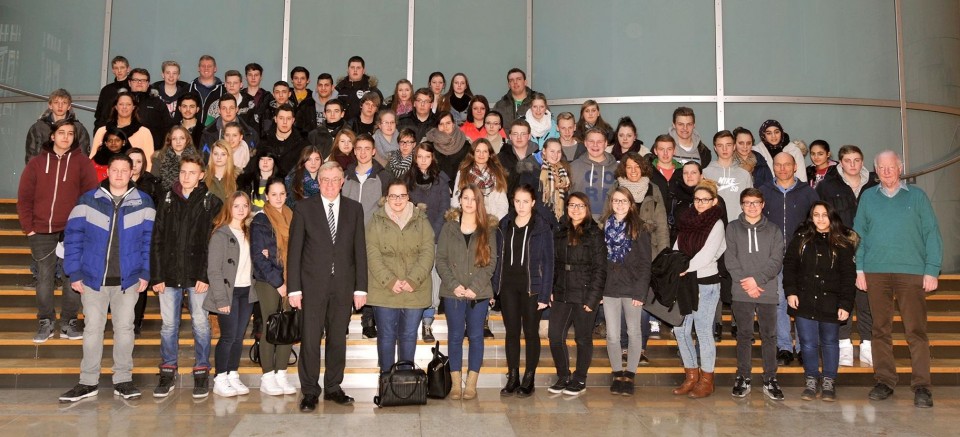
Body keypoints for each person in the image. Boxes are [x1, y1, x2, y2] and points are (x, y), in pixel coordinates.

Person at [57, 154, 154, 403]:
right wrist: (75, 272)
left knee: (124, 331)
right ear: (107, 172)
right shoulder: (88, 200)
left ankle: (123, 380)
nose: (120, 174)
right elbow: (74, 237)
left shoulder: (144, 202)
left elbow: (149, 243)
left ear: (132, 173)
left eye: (125, 170)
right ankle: (87, 382)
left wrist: (145, 272)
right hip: (92, 280)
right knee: (92, 331)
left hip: (128, 280)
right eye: (115, 170)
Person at [855, 150, 942, 408]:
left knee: (916, 331)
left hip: (912, 272)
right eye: (881, 168)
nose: (887, 172)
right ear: (876, 170)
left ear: (900, 167)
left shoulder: (917, 197)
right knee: (880, 330)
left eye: (891, 167)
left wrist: (932, 269)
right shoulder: (868, 197)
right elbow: (858, 235)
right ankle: (884, 380)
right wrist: (859, 269)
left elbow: (932, 234)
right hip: (876, 272)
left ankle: (922, 386)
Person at [288, 161, 368, 411]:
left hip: (343, 287)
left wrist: (360, 288)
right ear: (318, 182)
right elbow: (295, 252)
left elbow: (360, 251)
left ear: (342, 181)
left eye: (335, 179)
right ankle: (310, 391)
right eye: (326, 179)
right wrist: (294, 289)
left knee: (337, 339)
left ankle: (333, 386)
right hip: (312, 287)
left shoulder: (355, 209)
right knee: (310, 340)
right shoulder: (303, 209)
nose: (331, 184)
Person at [18, 119, 99, 343]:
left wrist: (82, 228)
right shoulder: (36, 164)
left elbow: (91, 198)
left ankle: (69, 322)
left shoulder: (82, 163)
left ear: (74, 138)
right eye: (61, 132)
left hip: (71, 232)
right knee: (44, 277)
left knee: (71, 276)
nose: (65, 137)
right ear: (52, 136)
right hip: (41, 232)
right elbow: (24, 199)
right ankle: (45, 322)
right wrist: (30, 230)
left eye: (70, 133)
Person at [151, 155, 223, 399]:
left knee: (201, 324)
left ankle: (202, 370)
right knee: (169, 325)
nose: (186, 177)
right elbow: (157, 239)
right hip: (169, 274)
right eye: (183, 172)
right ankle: (168, 370)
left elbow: (213, 242)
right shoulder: (167, 200)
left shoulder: (211, 202)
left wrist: (205, 275)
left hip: (197, 276)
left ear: (201, 175)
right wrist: (157, 275)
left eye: (192, 172)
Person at [784, 201, 858, 401]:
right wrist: (790, 292)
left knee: (830, 343)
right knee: (807, 344)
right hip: (804, 300)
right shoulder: (800, 239)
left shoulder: (843, 243)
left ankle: (829, 381)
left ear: (831, 217)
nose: (820, 219)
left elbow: (848, 277)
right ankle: (810, 379)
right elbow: (789, 267)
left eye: (824, 214)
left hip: (831, 302)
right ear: (811, 217)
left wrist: (845, 304)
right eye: (816, 214)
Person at [816, 145, 878, 366]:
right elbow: (821, 218)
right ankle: (843, 345)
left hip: (870, 251)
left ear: (863, 162)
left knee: (865, 299)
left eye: (857, 160)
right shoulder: (826, 187)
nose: (852, 165)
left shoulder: (875, 185)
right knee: (841, 297)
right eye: (848, 160)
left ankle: (867, 345)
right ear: (840, 162)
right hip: (838, 250)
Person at [366, 180, 435, 373]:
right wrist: (390, 281)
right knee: (386, 336)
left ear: (408, 197)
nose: (398, 200)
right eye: (393, 196)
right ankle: (386, 381)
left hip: (415, 289)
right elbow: (372, 254)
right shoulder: (376, 220)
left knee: (408, 335)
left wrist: (413, 280)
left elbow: (428, 253)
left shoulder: (421, 220)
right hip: (384, 290)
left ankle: (405, 382)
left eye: (402, 195)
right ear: (386, 198)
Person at [437, 184, 498, 400]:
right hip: (453, 292)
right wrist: (454, 284)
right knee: (454, 337)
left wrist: (474, 288)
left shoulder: (487, 229)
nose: (469, 202)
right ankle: (455, 384)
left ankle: (471, 384)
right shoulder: (448, 227)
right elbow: (441, 260)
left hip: (478, 294)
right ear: (459, 201)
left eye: (473, 199)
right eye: (465, 198)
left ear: (479, 202)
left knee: (475, 337)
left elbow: (491, 264)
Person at [759, 152, 820, 366]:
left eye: (787, 165)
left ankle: (805, 347)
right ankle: (784, 346)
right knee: (779, 302)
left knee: (802, 302)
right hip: (773, 257)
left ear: (795, 167)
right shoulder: (764, 191)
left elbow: (818, 223)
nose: (783, 168)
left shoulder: (808, 193)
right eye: (778, 165)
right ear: (773, 167)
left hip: (802, 258)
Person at [493, 185, 554, 398]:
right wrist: (495, 289)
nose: (521, 206)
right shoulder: (504, 224)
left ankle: (529, 378)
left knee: (530, 332)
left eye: (525, 201)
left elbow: (549, 262)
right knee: (511, 333)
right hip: (508, 286)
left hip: (532, 288)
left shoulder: (541, 226)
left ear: (533, 203)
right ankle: (513, 377)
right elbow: (498, 258)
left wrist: (545, 294)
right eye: (517, 201)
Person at [725, 188, 785, 400]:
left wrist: (757, 281)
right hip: (741, 290)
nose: (752, 206)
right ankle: (743, 376)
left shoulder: (774, 230)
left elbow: (776, 260)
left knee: (769, 336)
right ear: (741, 205)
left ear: (763, 204)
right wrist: (747, 283)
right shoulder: (732, 228)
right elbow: (730, 260)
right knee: (744, 335)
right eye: (747, 202)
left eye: (756, 202)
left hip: (766, 290)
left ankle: (770, 378)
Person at [609, 152, 670, 362]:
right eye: (629, 167)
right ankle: (624, 347)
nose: (633, 171)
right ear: (623, 169)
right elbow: (607, 218)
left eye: (636, 167)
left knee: (640, 304)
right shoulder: (616, 188)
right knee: (622, 304)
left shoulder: (653, 189)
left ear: (643, 168)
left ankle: (640, 348)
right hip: (619, 259)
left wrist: (664, 257)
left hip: (648, 254)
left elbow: (662, 225)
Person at [670, 180, 726, 398]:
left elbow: (708, 253)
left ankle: (706, 379)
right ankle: (691, 376)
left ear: (714, 201)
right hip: (685, 280)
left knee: (703, 331)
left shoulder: (717, 223)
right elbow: (677, 246)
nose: (701, 203)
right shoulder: (687, 219)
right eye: (697, 199)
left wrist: (686, 268)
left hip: (705, 282)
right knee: (681, 330)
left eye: (705, 200)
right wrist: (675, 265)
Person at [547, 192, 604, 396]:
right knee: (554, 336)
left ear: (587, 209)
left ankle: (580, 379)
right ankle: (563, 376)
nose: (576, 209)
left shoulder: (595, 233)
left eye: (580, 206)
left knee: (583, 338)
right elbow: (552, 263)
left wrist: (593, 298)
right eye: (572, 205)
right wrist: (551, 288)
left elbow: (600, 268)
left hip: (585, 292)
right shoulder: (560, 230)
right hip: (562, 291)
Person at [600, 188, 652, 396]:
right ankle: (616, 373)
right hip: (610, 288)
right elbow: (599, 262)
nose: (619, 204)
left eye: (624, 201)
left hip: (632, 288)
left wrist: (641, 293)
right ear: (611, 203)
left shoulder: (639, 229)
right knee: (612, 335)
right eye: (616, 200)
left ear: (631, 204)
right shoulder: (603, 227)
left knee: (633, 332)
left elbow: (645, 264)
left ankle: (629, 374)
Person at [205, 191, 256, 398]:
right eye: (237, 206)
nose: (241, 209)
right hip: (228, 293)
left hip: (246, 292)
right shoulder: (220, 234)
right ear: (229, 208)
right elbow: (214, 271)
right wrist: (221, 299)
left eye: (245, 205)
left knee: (238, 337)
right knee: (227, 337)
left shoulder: (250, 233)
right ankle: (220, 377)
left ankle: (232, 374)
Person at [250, 177, 298, 396]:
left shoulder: (292, 216)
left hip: (292, 280)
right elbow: (259, 256)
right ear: (266, 196)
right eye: (274, 194)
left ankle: (281, 373)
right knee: (271, 325)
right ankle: (267, 375)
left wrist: (292, 281)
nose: (278, 198)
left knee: (288, 325)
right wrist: (279, 282)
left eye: (282, 194)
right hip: (269, 281)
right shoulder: (261, 220)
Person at [407, 141, 452, 341]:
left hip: (435, 237)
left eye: (427, 157)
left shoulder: (442, 180)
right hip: (412, 239)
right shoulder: (406, 179)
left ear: (432, 157)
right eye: (420, 157)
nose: (423, 161)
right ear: (415, 158)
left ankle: (427, 323)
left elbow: (444, 210)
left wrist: (431, 234)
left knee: (433, 281)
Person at [126, 147, 162, 336]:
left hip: (143, 238)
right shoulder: (116, 182)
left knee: (140, 281)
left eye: (139, 161)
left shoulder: (152, 183)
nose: (134, 165)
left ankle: (136, 321)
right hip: (122, 239)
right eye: (131, 161)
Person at [25, 88, 92, 163]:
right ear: (50, 105)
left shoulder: (78, 128)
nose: (60, 106)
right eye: (56, 102)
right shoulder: (38, 127)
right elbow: (31, 156)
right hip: (43, 172)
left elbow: (83, 157)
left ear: (69, 106)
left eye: (64, 102)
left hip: (70, 172)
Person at [91, 92, 155, 171]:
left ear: (133, 107)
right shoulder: (102, 131)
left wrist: (144, 181)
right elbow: (92, 158)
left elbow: (149, 162)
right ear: (116, 107)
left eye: (128, 104)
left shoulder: (144, 132)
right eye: (121, 104)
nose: (124, 107)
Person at [452, 138, 510, 220]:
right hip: (467, 219)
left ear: (489, 154)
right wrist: (461, 220)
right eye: (478, 151)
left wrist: (494, 221)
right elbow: (456, 200)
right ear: (473, 153)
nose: (481, 154)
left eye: (485, 151)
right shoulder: (463, 172)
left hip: (490, 221)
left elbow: (502, 204)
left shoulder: (497, 173)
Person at [343, 133, 393, 225]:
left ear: (373, 151)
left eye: (367, 149)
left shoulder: (384, 177)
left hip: (373, 234)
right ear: (354, 151)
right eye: (359, 149)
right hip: (348, 232)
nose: (363, 152)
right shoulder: (344, 176)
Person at [703, 130, 752, 220]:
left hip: (738, 226)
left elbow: (749, 202)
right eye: (720, 145)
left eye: (728, 145)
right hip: (713, 225)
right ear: (715, 148)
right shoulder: (706, 173)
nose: (724, 149)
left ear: (734, 147)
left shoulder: (744, 175)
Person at [570, 128, 617, 219]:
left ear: (606, 143)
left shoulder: (617, 168)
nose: (595, 145)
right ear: (585, 143)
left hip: (611, 220)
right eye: (591, 141)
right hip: (582, 220)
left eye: (599, 141)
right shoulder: (573, 167)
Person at [530, 138, 570, 229]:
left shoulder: (562, 171)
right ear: (544, 151)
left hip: (560, 224)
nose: (555, 155)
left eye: (558, 152)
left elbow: (565, 199)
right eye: (552, 151)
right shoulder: (532, 170)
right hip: (539, 224)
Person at [127, 68, 172, 149]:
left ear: (148, 84)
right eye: (136, 80)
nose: (139, 83)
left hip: (152, 149)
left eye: (143, 80)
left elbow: (167, 129)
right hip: (126, 149)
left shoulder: (158, 103)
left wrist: (161, 150)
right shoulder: (122, 102)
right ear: (129, 83)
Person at [425, 111, 470, 190]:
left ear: (453, 124)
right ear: (437, 127)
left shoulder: (465, 145)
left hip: (460, 189)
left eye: (448, 123)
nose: (445, 126)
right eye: (441, 124)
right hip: (435, 189)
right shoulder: (429, 145)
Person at [260, 103, 307, 175]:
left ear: (293, 120)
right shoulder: (264, 142)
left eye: (288, 118)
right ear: (275, 119)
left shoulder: (302, 144)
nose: (285, 122)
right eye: (281, 118)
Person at [650, 135, 683, 236]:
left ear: (674, 151)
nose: (665, 153)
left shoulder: (684, 173)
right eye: (661, 149)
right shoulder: (647, 172)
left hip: (678, 228)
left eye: (669, 149)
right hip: (654, 227)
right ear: (655, 151)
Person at [151, 126, 200, 192]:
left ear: (187, 140)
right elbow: (154, 184)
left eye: (182, 138)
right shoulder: (159, 158)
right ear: (169, 141)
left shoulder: (196, 158)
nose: (178, 142)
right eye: (174, 139)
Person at [498, 119, 540, 197]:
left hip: (534, 206)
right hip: (508, 206)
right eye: (515, 134)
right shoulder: (500, 158)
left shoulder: (539, 157)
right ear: (510, 136)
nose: (519, 137)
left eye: (523, 134)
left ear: (529, 136)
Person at [335, 55, 383, 121]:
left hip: (367, 129)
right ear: (348, 70)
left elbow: (381, 114)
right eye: (352, 67)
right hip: (344, 129)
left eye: (358, 68)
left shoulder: (373, 91)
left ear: (363, 71)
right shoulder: (338, 90)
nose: (355, 70)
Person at [238, 148, 281, 212]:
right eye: (262, 159)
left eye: (269, 159)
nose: (265, 162)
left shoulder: (280, 183)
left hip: (271, 218)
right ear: (258, 161)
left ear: (274, 162)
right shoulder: (246, 181)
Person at [94, 55, 130, 130]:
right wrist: (97, 131)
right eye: (116, 68)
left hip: (128, 129)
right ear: (113, 70)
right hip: (107, 129)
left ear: (128, 69)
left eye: (122, 67)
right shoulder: (106, 90)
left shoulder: (132, 88)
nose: (119, 71)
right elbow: (99, 114)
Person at [188, 55, 224, 126]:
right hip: (192, 132)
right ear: (198, 68)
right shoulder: (189, 88)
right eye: (203, 66)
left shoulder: (224, 89)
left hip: (214, 133)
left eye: (209, 66)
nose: (206, 68)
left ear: (215, 69)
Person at [240, 63, 275, 133]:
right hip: (241, 135)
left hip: (263, 137)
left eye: (256, 75)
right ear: (245, 77)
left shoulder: (268, 97)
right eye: (250, 75)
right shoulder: (239, 96)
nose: (253, 78)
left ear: (261, 77)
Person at [289, 66, 318, 137]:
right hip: (288, 135)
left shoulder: (314, 98)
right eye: (296, 78)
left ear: (308, 80)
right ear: (291, 80)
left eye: (302, 78)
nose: (299, 81)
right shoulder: (286, 96)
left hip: (308, 137)